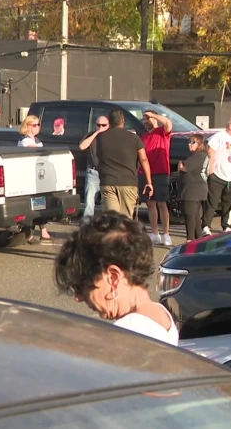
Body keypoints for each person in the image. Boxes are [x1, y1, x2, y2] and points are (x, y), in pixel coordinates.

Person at [54, 211, 179, 345]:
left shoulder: (124, 336)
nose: (78, 297)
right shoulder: (162, 315)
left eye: (81, 286)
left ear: (113, 277)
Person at [95, 109, 153, 218]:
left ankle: (113, 234)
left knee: (111, 219)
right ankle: (124, 235)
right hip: (128, 182)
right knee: (125, 220)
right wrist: (149, 182)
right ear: (123, 121)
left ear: (110, 122)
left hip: (108, 181)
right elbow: (144, 159)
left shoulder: (101, 138)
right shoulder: (134, 138)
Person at [201, 115, 231, 235]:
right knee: (212, 202)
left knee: (230, 203)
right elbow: (210, 151)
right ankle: (206, 226)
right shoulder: (219, 136)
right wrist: (210, 172)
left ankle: (226, 226)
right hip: (217, 176)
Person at [139, 110, 174, 246]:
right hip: (146, 173)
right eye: (144, 119)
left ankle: (166, 234)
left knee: (162, 203)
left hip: (161, 172)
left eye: (147, 118)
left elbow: (168, 123)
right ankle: (155, 233)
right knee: (150, 203)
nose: (146, 121)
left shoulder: (162, 132)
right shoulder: (144, 136)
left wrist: (153, 115)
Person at [18, 115, 51, 243]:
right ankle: (28, 234)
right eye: (34, 125)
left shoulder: (37, 140)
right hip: (27, 178)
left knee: (40, 203)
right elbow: (36, 150)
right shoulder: (24, 140)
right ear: (28, 126)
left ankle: (43, 230)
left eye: (38, 124)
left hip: (37, 176)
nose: (37, 127)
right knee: (29, 206)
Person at [178, 133, 208, 242]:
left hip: (193, 191)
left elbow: (183, 167)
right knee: (195, 217)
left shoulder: (199, 155)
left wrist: (181, 163)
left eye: (192, 142)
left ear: (199, 143)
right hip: (196, 189)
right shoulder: (200, 155)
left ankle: (190, 239)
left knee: (190, 216)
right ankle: (198, 240)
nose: (189, 145)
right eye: (189, 142)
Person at [78, 115, 108, 217]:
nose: (101, 127)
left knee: (107, 203)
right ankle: (87, 225)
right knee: (89, 203)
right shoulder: (91, 135)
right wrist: (96, 133)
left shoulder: (111, 136)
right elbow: (82, 146)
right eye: (98, 125)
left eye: (104, 125)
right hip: (93, 172)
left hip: (107, 172)